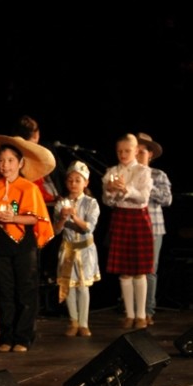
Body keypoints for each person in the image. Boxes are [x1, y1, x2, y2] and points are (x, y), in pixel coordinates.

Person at [0, 135, 55, 352]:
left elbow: (36, 218)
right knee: (5, 291)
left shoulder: (29, 188)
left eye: (10, 160)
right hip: (2, 243)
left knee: (25, 290)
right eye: (1, 160)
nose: (5, 165)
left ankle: (23, 336)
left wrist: (13, 218)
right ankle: (6, 336)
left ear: (20, 163)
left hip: (24, 243)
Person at [102, 133, 153, 329]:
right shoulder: (111, 171)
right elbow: (107, 201)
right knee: (124, 271)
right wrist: (112, 191)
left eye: (127, 151)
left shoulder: (143, 171)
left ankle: (141, 315)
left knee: (139, 271)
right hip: (121, 218)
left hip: (138, 218)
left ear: (136, 151)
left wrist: (125, 190)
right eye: (119, 151)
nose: (123, 154)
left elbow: (143, 198)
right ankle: (129, 314)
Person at [53, 160, 101, 337]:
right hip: (67, 248)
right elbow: (56, 230)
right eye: (70, 180)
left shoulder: (91, 203)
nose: (73, 184)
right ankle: (73, 321)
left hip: (85, 251)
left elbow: (89, 227)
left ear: (85, 183)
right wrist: (63, 218)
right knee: (69, 285)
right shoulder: (61, 203)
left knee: (82, 286)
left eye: (77, 180)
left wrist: (74, 216)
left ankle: (84, 323)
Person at [136, 132, 171, 325]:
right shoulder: (127, 174)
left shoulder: (158, 175)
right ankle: (133, 312)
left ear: (150, 154)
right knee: (131, 271)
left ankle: (147, 311)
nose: (138, 154)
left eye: (142, 151)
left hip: (153, 227)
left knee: (149, 270)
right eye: (136, 150)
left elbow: (167, 199)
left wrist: (147, 186)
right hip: (132, 226)